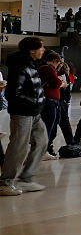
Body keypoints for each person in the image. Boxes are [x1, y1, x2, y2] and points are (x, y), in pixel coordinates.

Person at [0, 37, 47, 196]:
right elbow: (13, 93)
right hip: (23, 113)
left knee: (42, 142)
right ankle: (5, 182)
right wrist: (33, 102)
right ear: (31, 50)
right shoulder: (21, 67)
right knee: (18, 147)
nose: (44, 50)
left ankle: (26, 178)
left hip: (35, 113)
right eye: (41, 47)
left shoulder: (32, 65)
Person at [38, 51, 65, 160]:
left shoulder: (44, 68)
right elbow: (56, 83)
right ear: (55, 61)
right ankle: (43, 151)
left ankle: (42, 150)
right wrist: (63, 84)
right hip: (49, 101)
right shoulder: (48, 68)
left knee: (48, 126)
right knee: (48, 126)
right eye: (58, 63)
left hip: (48, 100)